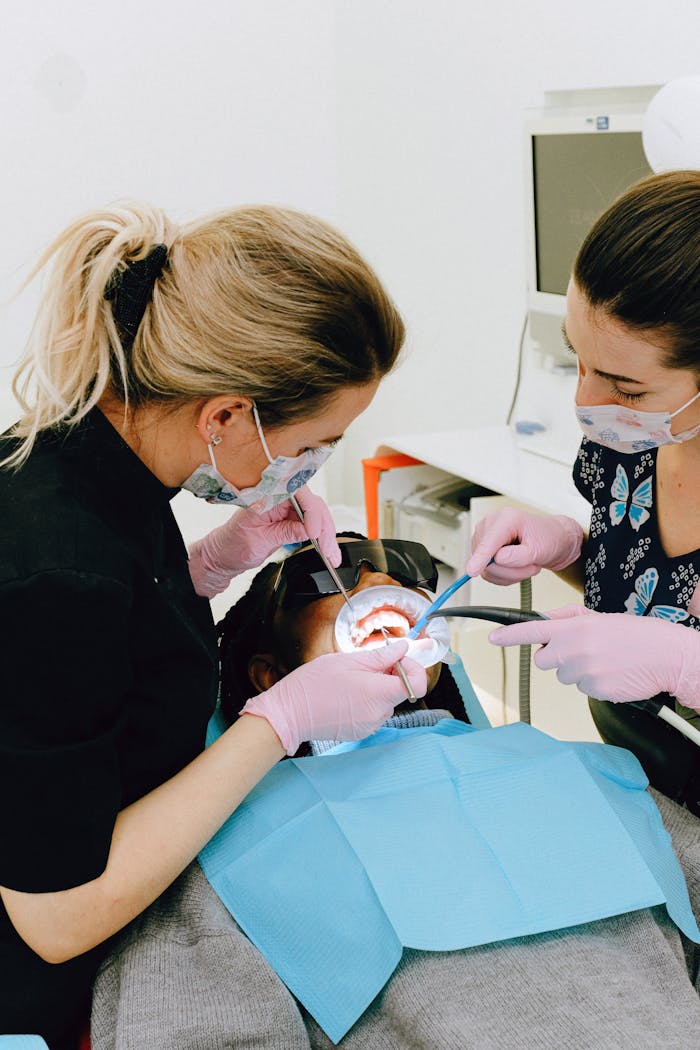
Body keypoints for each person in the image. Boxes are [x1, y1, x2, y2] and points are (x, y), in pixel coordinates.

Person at [0, 201, 428, 1048]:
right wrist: (281, 724)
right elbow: (54, 919)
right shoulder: (58, 567)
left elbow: (83, 665)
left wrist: (211, 563)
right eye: (317, 443)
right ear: (227, 416)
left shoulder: (94, 459)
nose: (312, 467)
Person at [90, 535, 700, 1050]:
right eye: (325, 577)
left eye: (405, 568)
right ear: (270, 678)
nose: (379, 578)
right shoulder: (227, 842)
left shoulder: (587, 771)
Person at [466, 170, 700, 817]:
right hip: (639, 776)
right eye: (578, 360)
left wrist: (686, 666)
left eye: (626, 387)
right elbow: (643, 589)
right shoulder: (626, 442)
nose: (585, 402)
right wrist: (571, 549)